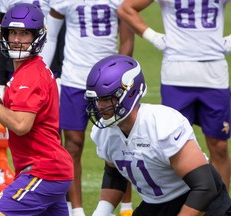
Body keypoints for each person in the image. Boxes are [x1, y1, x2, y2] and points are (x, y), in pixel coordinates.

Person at [85, 54, 231, 216]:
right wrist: (101, 212)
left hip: (199, 200)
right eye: (97, 100)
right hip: (155, 205)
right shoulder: (104, 132)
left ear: (129, 93)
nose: (99, 106)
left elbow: (205, 187)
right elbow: (114, 175)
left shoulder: (162, 125)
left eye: (106, 99)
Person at [0, 3, 73, 215]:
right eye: (12, 32)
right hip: (50, 170)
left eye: (24, 33)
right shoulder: (27, 71)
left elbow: (21, 125)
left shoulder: (29, 76)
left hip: (43, 171)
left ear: (37, 36)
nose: (16, 39)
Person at [117, 0, 231, 191]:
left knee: (219, 146)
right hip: (175, 74)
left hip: (214, 75)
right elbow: (126, 8)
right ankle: (180, 204)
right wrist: (155, 38)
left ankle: (221, 209)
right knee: (174, 147)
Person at [40, 1, 135, 215]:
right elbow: (52, 35)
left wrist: (120, 74)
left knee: (121, 143)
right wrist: (43, 73)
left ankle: (126, 208)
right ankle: (77, 210)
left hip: (109, 82)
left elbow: (127, 39)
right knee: (72, 146)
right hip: (75, 77)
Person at [0, 0, 65, 99]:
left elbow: (60, 34)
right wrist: (0, 80)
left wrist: (61, 73)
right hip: (14, 65)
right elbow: (4, 35)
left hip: (51, 64)